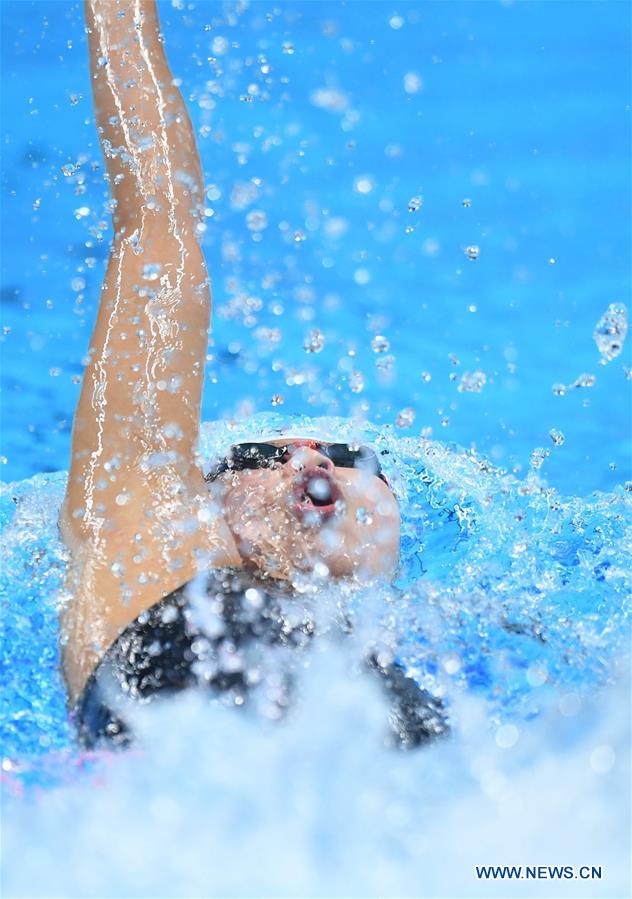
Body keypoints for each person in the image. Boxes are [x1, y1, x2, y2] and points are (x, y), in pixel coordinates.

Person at [60, 0, 447, 749]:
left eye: (347, 458)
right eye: (259, 458)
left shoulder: (456, 670)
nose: (307, 461)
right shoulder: (149, 546)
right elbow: (157, 216)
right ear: (204, 502)